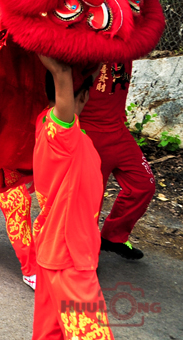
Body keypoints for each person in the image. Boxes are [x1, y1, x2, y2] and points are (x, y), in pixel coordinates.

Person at [33, 55, 111, 340]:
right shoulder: (61, 134)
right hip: (69, 254)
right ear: (86, 95)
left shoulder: (47, 123)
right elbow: (62, 73)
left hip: (55, 247)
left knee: (50, 334)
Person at [80, 61, 155, 261]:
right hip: (89, 130)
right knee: (90, 200)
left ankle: (113, 236)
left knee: (143, 184)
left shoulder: (128, 44)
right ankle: (83, 251)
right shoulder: (84, 40)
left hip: (118, 130)